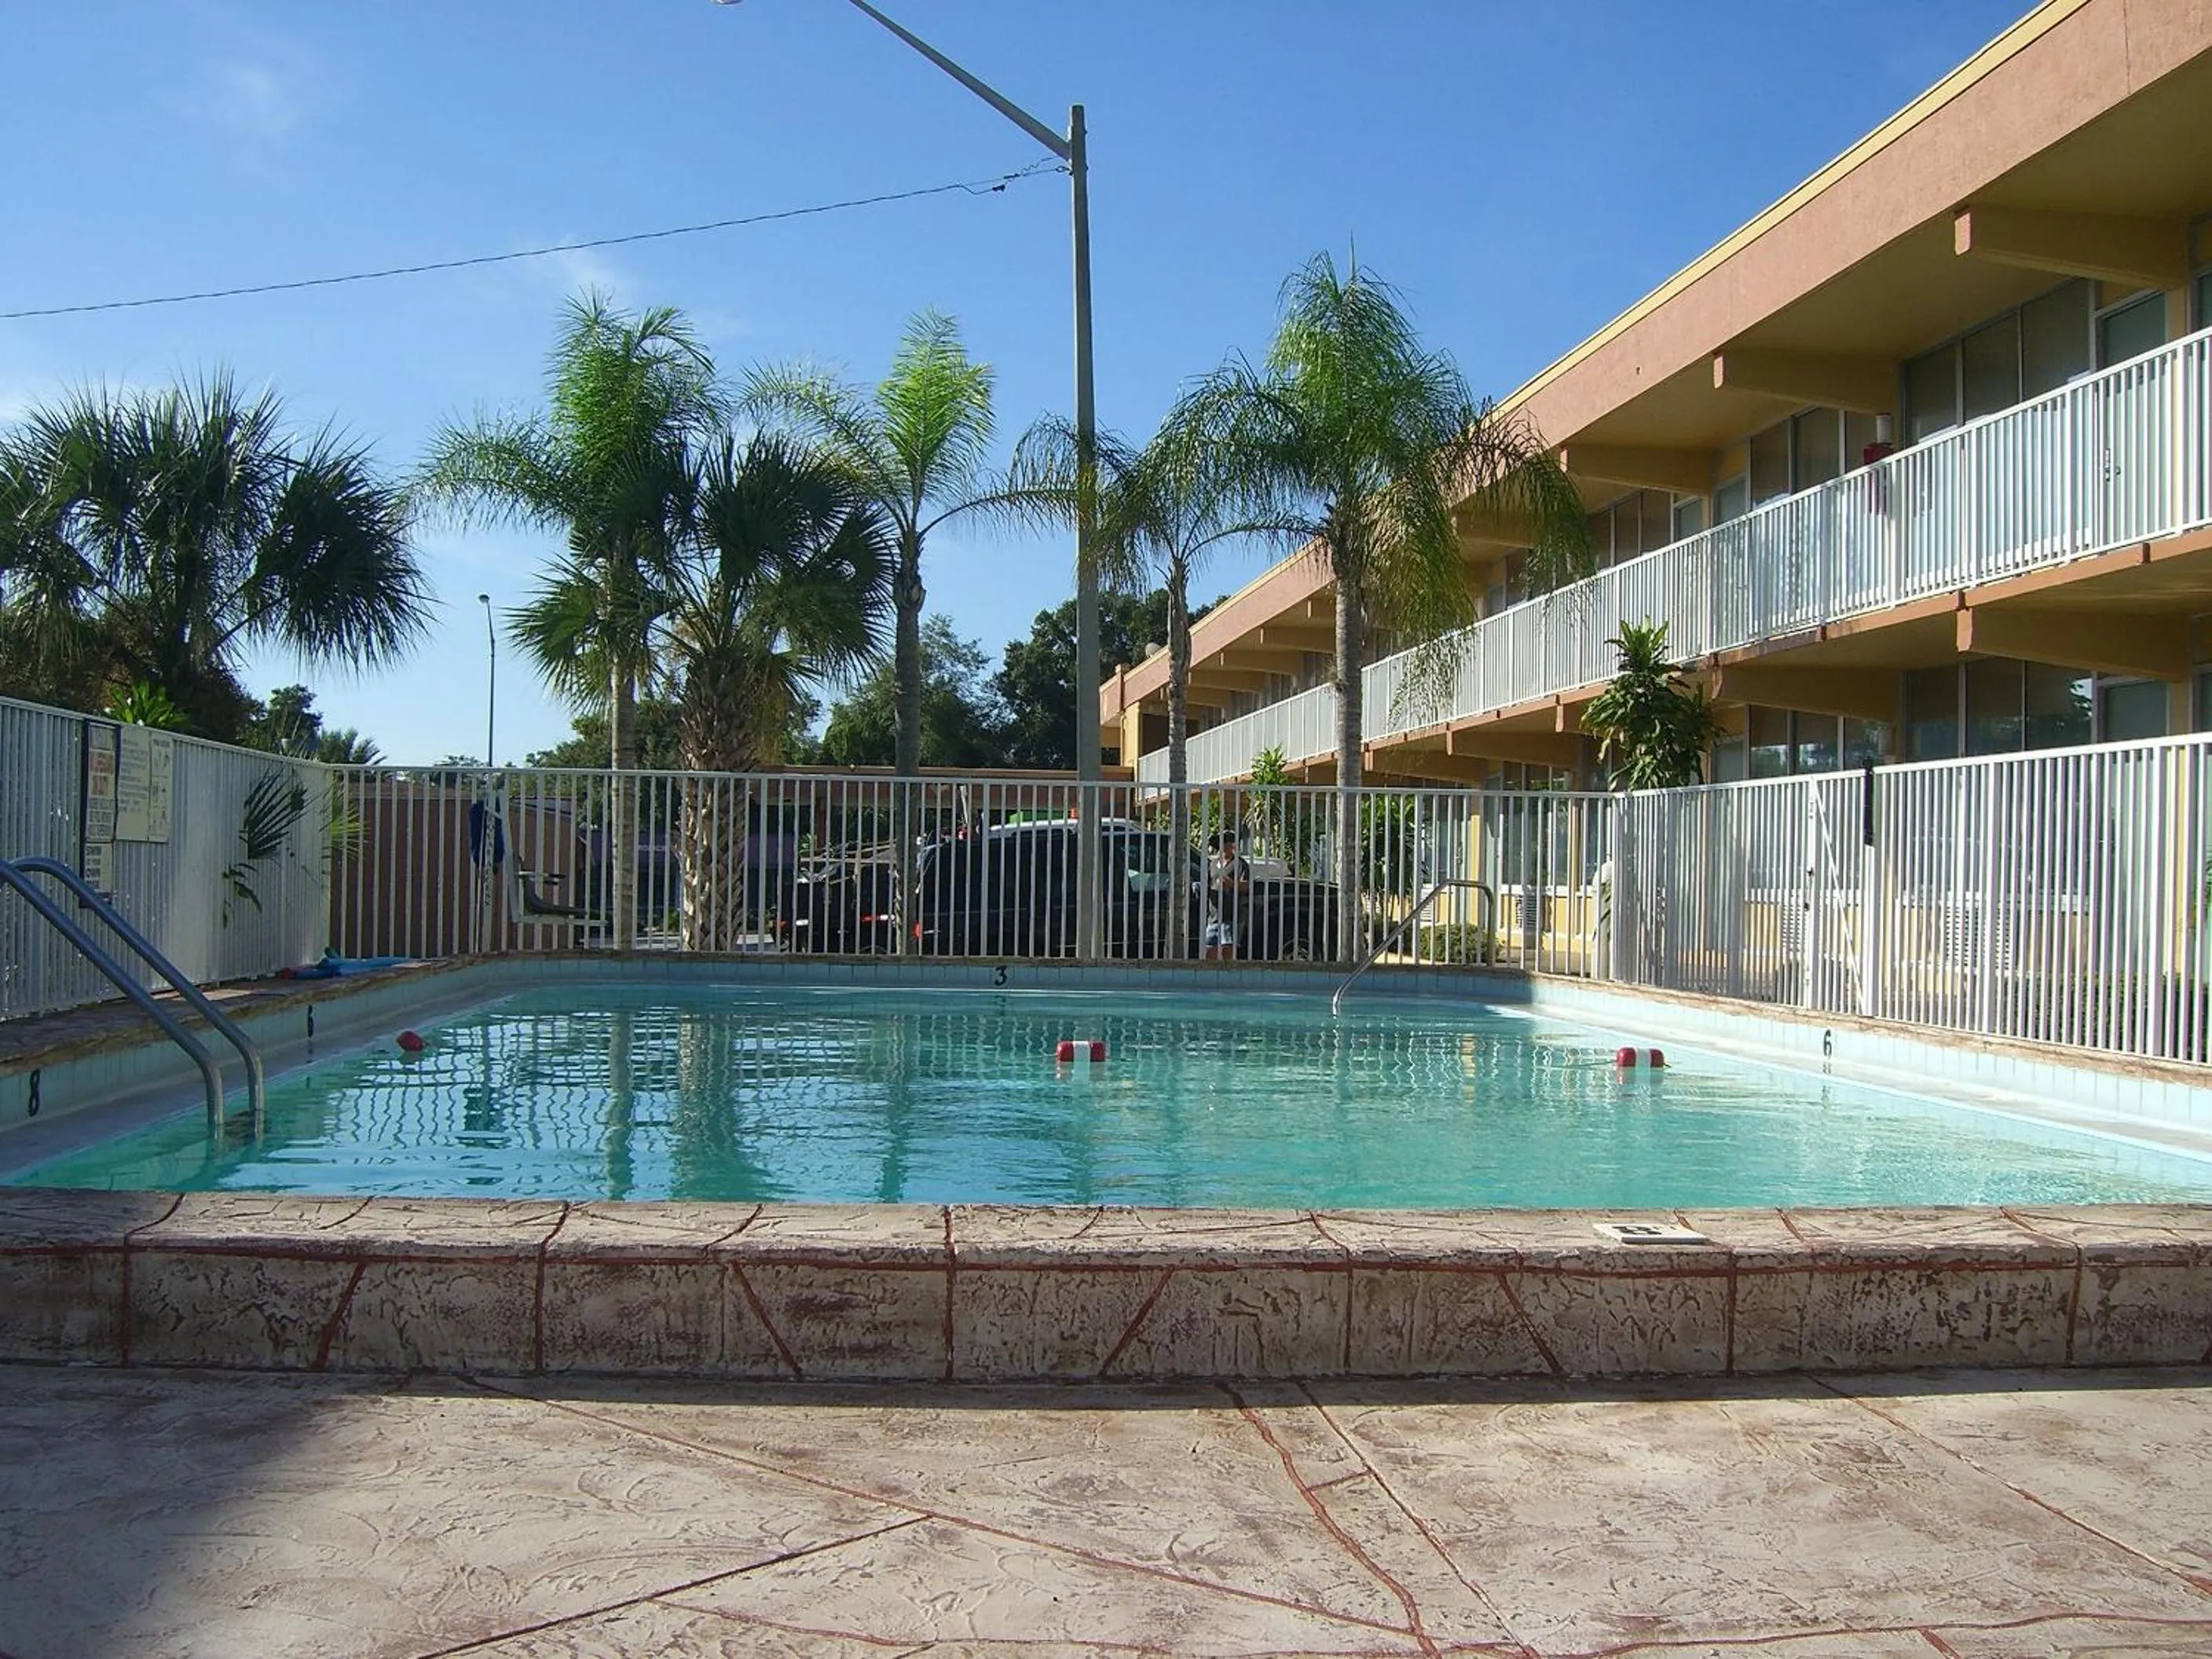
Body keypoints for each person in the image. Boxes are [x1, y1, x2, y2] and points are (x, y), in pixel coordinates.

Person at [1207, 830, 1251, 960]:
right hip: (1214, 916)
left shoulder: (1240, 864)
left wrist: (1232, 884)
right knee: (1210, 950)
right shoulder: (1213, 864)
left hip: (1231, 916)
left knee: (1227, 951)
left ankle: (1228, 976)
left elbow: (1246, 886)